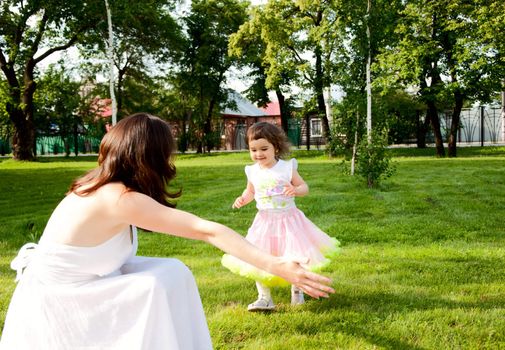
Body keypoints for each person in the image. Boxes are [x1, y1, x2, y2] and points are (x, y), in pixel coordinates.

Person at [0, 113, 334, 350]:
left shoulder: (101, 184)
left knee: (172, 270)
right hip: (61, 302)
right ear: (150, 157)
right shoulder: (118, 198)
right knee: (156, 282)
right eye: (166, 153)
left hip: (81, 282)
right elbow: (207, 231)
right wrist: (277, 265)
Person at [222, 122, 341, 312]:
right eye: (253, 150)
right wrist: (243, 199)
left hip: (289, 220)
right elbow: (250, 191)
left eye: (263, 149)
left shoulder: (286, 168)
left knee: (294, 255)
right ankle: (264, 297)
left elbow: (304, 187)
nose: (258, 154)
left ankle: (297, 290)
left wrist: (295, 190)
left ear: (275, 147)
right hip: (264, 221)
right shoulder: (252, 170)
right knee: (259, 256)